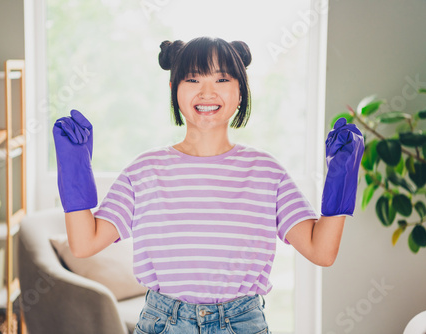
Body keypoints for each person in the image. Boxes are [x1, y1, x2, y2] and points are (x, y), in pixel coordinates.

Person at [53, 37, 364, 334]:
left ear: (241, 91)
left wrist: (342, 180)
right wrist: (74, 170)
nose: (206, 91)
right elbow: (84, 243)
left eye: (222, 79)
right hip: (163, 323)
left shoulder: (267, 172)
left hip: (243, 323)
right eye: (192, 79)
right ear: (173, 88)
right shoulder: (144, 170)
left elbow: (321, 252)